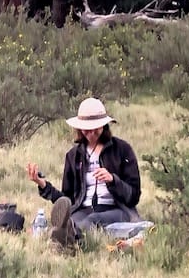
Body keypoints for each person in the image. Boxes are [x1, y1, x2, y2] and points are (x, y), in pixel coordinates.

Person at [26, 96, 141, 246]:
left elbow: (133, 196)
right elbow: (67, 200)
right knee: (72, 220)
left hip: (117, 209)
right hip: (83, 209)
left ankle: (65, 237)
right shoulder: (73, 156)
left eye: (96, 128)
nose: (91, 133)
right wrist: (42, 184)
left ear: (104, 126)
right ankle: (66, 236)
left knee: (92, 220)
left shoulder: (122, 150)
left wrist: (113, 180)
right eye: (87, 129)